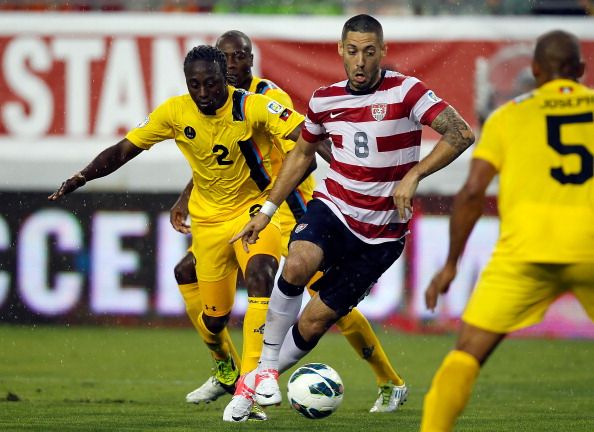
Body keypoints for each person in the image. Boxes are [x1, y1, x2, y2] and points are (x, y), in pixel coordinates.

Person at [222, 14, 475, 422]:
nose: (360, 61)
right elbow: (303, 153)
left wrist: (413, 175)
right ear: (341, 51)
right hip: (335, 208)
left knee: (315, 319)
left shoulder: (408, 92)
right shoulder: (324, 99)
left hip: (381, 235)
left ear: (383, 52)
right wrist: (268, 211)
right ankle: (266, 368)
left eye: (369, 52)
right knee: (299, 261)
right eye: (353, 51)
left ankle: (251, 383)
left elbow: (461, 133)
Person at [47, 45, 304, 420]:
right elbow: (122, 151)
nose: (203, 93)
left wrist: (348, 167)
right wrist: (81, 177)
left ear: (226, 80)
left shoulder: (253, 106)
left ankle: (254, 380)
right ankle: (225, 364)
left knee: (262, 274)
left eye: (211, 84)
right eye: (195, 85)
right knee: (215, 321)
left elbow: (307, 135)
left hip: (254, 210)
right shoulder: (174, 112)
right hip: (210, 223)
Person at [172, 30, 410, 414]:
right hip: (247, 211)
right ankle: (228, 370)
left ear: (251, 60)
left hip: (286, 211)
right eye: (224, 58)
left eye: (238, 57)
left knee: (327, 302)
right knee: (187, 270)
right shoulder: (216, 104)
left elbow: (305, 150)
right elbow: (219, 153)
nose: (231, 65)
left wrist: (278, 203)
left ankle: (388, 380)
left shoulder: (269, 99)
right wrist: (187, 196)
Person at [420, 29, 594, 432]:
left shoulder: (508, 117)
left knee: (465, 354)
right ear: (582, 70)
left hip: (524, 255)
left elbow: (471, 192)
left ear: (534, 71)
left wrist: (449, 266)